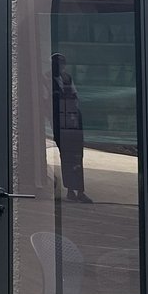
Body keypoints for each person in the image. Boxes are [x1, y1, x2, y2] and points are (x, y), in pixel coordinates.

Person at [51, 55, 90, 203]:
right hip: (60, 123)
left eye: (62, 64)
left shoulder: (67, 78)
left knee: (77, 156)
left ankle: (79, 190)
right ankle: (70, 189)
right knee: (67, 156)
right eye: (58, 64)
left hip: (73, 122)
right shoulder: (47, 79)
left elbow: (75, 96)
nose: (60, 67)